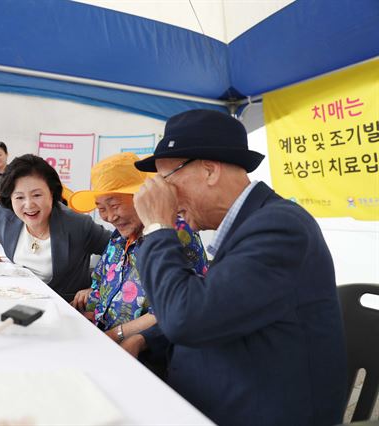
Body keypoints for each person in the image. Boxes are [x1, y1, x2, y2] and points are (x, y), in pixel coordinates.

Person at [132, 109, 346, 426]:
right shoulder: (249, 223)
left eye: (167, 181)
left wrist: (157, 229)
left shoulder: (280, 228)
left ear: (209, 170)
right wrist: (146, 339)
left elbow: (188, 319)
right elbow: (221, 302)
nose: (168, 199)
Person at [68, 152, 207, 346]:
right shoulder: (118, 236)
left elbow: (179, 305)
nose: (109, 217)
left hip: (145, 351)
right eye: (101, 208)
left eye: (114, 205)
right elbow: (101, 284)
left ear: (141, 198)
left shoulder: (176, 231)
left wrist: (116, 334)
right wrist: (89, 311)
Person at [0, 154, 111, 301]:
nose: (29, 205)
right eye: (19, 197)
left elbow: (123, 250)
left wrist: (97, 288)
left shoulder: (77, 225)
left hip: (64, 309)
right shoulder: (4, 214)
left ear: (52, 193)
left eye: (37, 195)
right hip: (17, 301)